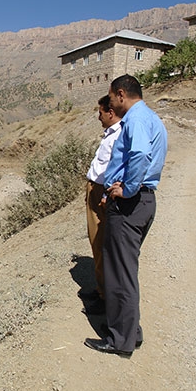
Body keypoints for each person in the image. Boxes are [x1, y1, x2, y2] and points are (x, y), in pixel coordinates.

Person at [84, 74, 168, 358]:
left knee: (119, 274)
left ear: (121, 95)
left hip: (132, 204)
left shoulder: (135, 120)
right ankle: (132, 332)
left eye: (110, 98)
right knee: (126, 271)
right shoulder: (151, 118)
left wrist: (127, 189)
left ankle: (120, 340)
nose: (110, 104)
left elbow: (142, 155)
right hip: (143, 202)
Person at [80, 95, 122, 315]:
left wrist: (104, 194)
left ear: (111, 112)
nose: (99, 117)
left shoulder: (119, 136)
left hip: (102, 192)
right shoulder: (111, 135)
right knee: (96, 242)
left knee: (101, 243)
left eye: (101, 112)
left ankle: (106, 297)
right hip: (96, 190)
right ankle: (100, 290)